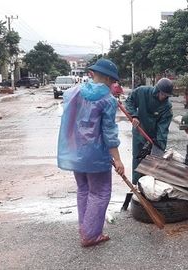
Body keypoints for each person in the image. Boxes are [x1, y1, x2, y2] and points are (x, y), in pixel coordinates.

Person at [57, 58, 125, 246]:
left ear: (92, 74)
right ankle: (91, 235)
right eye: (113, 81)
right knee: (100, 192)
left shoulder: (74, 92)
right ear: (112, 80)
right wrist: (118, 160)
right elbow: (109, 133)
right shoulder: (108, 100)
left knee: (83, 190)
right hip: (96, 156)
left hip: (75, 153)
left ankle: (85, 228)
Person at [124, 78, 173, 184]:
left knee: (152, 162)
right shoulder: (142, 91)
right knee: (138, 158)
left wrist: (159, 146)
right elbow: (129, 101)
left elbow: (163, 128)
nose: (163, 97)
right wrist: (134, 115)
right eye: (162, 94)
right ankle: (136, 185)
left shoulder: (167, 107)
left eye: (166, 96)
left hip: (153, 136)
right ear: (158, 90)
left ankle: (148, 186)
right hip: (139, 130)